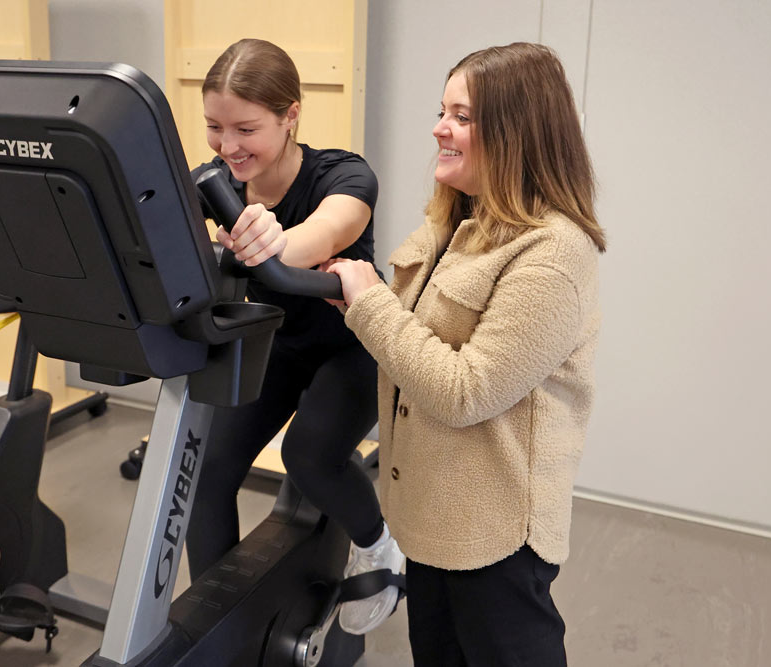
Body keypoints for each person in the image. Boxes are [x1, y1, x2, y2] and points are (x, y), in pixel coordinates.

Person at [325, 42, 607, 665]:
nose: (438, 128)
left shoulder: (554, 254)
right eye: (441, 110)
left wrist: (369, 303)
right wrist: (352, 294)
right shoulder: (453, 219)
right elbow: (404, 327)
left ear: (514, 132)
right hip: (429, 516)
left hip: (495, 535)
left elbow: (465, 391)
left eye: (462, 115)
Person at [184, 38, 404, 635]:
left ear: (290, 115)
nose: (229, 147)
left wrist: (271, 248)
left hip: (352, 346)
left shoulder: (346, 174)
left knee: (307, 454)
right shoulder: (214, 184)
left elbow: (319, 237)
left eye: (246, 129)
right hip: (279, 343)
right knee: (207, 471)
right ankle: (217, 625)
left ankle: (380, 545)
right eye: (214, 127)